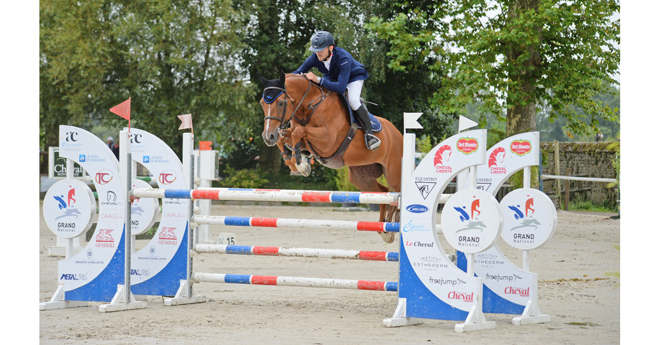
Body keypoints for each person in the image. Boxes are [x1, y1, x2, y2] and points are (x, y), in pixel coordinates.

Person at [292, 31, 381, 151]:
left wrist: (318, 79)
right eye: (315, 50)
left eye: (321, 49)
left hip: (352, 79)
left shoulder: (343, 58)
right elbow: (298, 71)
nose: (318, 53)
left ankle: (369, 134)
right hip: (333, 78)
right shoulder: (315, 57)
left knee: (353, 100)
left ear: (331, 48)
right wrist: (284, 81)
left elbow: (340, 88)